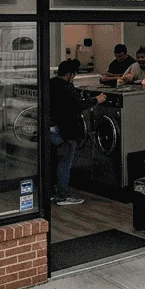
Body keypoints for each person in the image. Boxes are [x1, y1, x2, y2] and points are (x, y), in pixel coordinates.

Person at [48, 59, 104, 206]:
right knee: (64, 164)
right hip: (65, 131)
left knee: (54, 163)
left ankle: (52, 193)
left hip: (50, 130)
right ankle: (63, 196)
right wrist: (96, 100)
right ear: (69, 74)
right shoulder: (67, 88)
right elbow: (77, 106)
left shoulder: (50, 83)